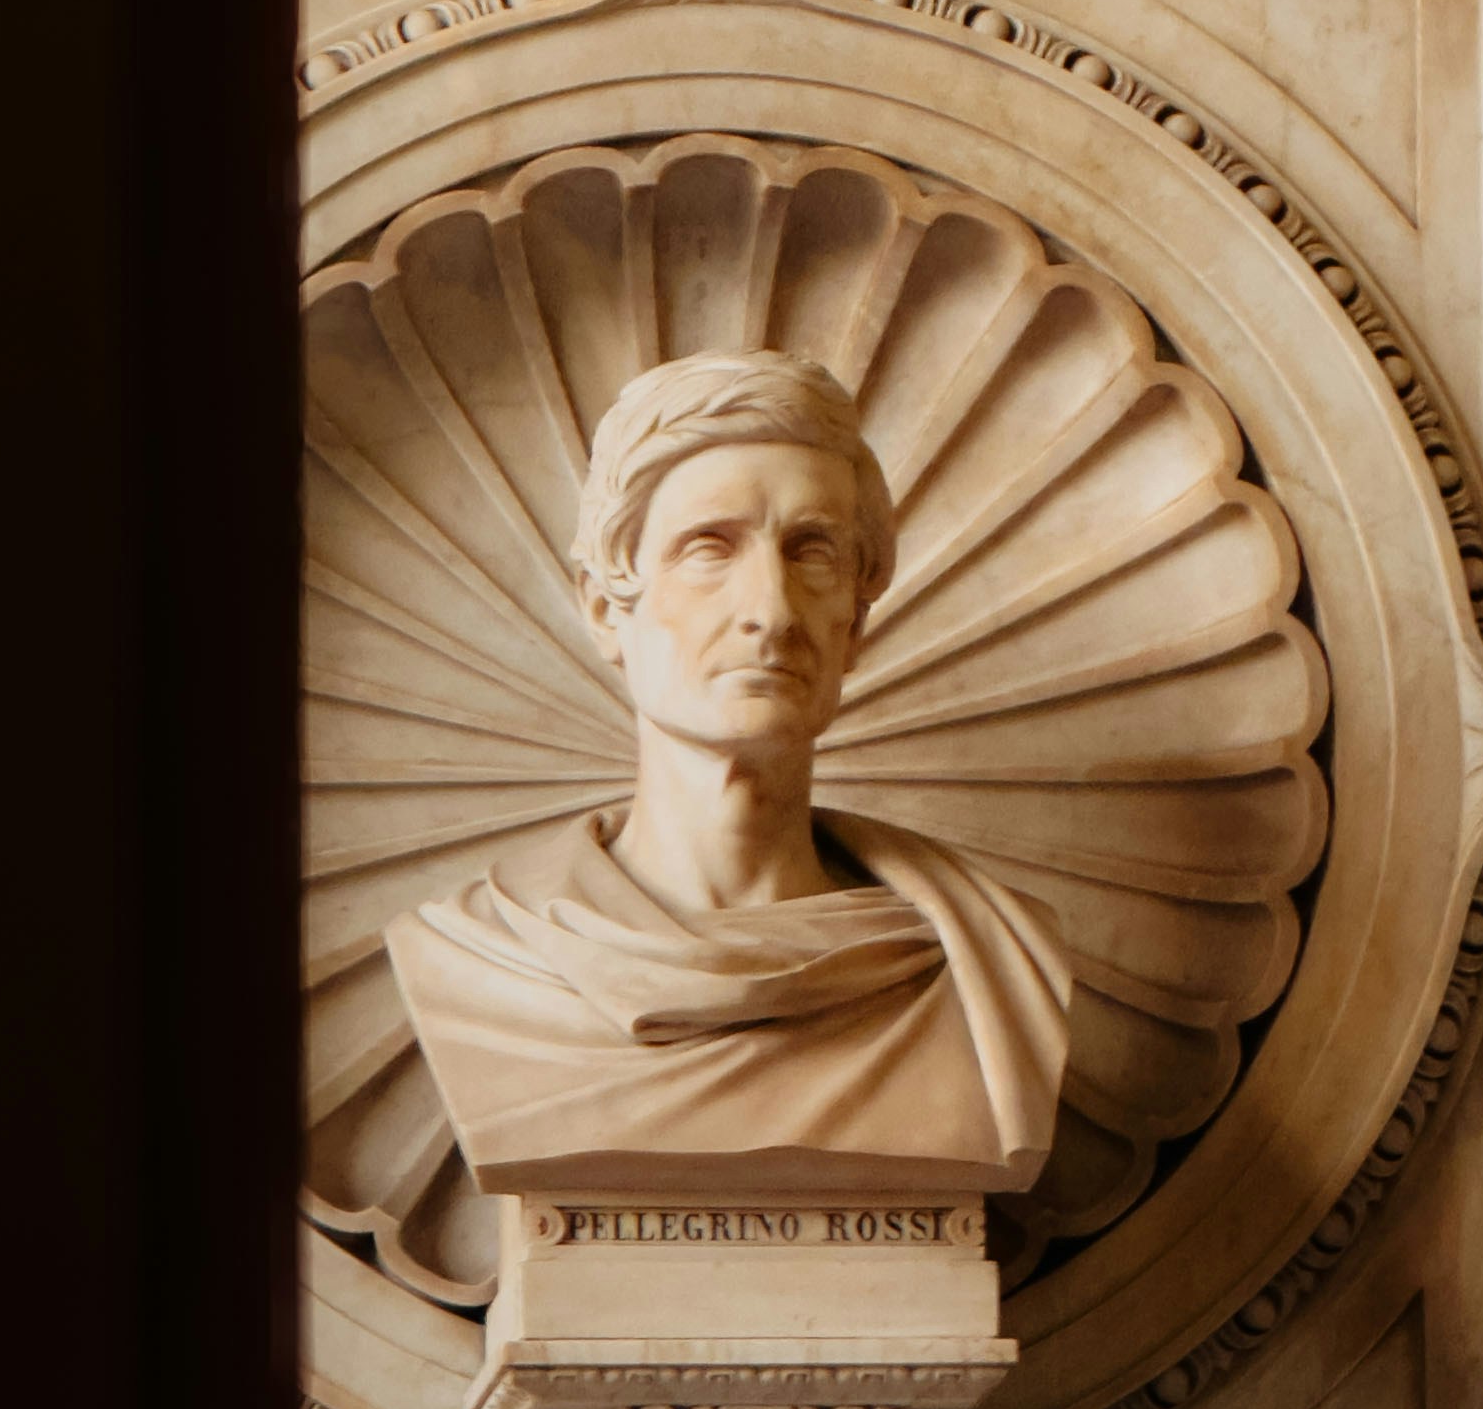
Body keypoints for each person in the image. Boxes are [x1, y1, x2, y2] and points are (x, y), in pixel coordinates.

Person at [386, 350, 1071, 1200]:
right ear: (606, 608)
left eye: (811, 552)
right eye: (710, 549)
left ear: (854, 623)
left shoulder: (990, 963)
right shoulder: (481, 964)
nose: (772, 612)